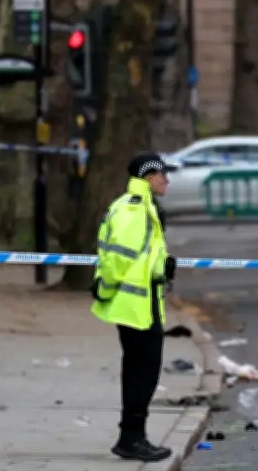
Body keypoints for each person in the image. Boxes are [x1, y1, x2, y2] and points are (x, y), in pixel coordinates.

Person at [90, 152, 179, 461]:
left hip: (142, 303)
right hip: (135, 306)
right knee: (143, 372)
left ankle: (133, 436)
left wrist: (161, 269)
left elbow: (140, 258)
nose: (167, 180)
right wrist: (106, 289)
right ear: (148, 176)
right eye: (163, 174)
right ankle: (131, 438)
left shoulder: (143, 208)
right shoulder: (134, 209)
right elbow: (118, 258)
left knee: (141, 370)